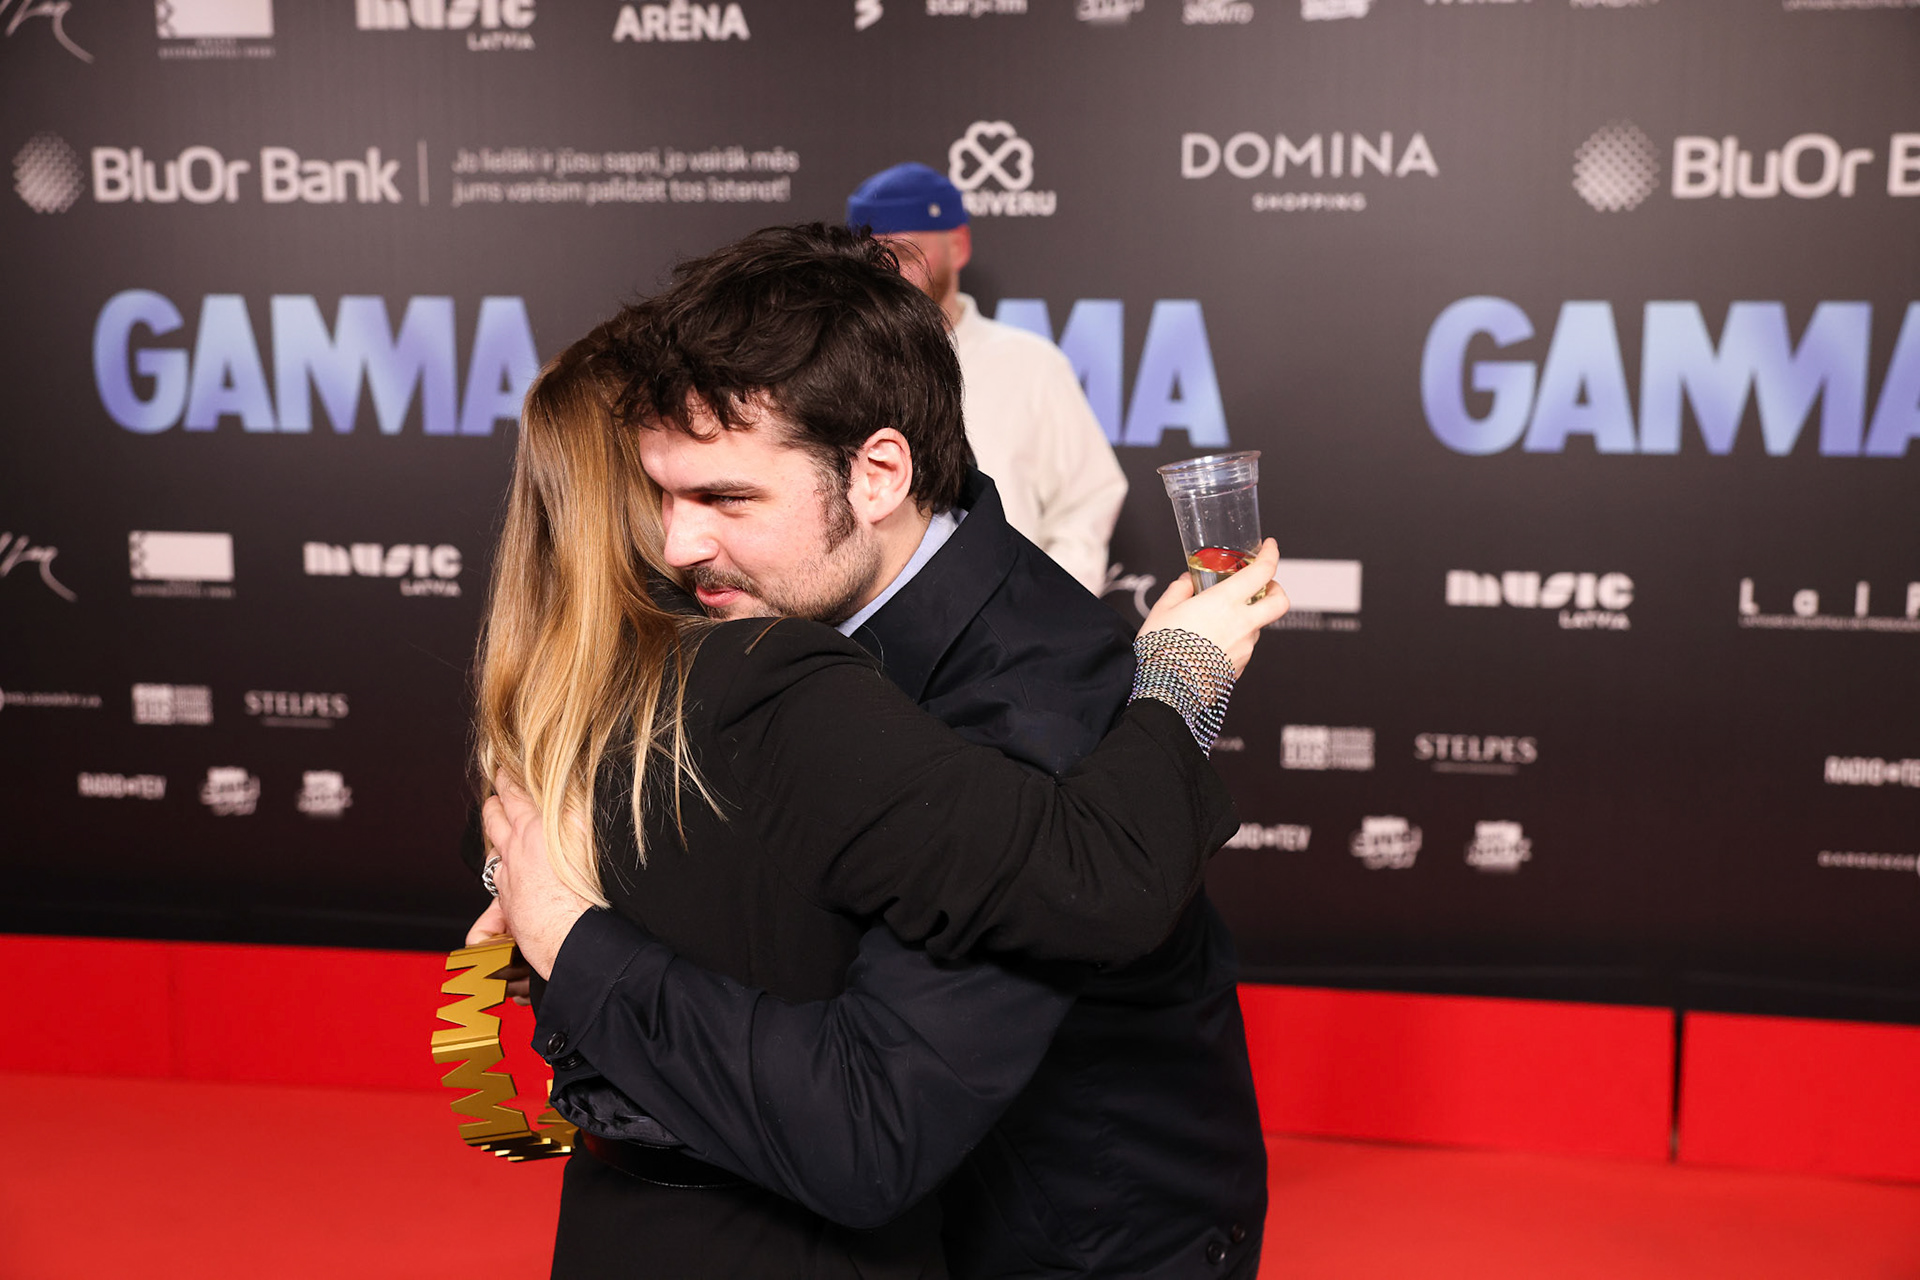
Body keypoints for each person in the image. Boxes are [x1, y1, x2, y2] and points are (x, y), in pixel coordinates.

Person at [480, 224, 1276, 1279]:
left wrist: (569, 938)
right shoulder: (760, 620)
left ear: (878, 475)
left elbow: (877, 1118)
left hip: (1072, 1249)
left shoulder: (1036, 698)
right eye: (663, 492)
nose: (675, 543)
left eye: (724, 498)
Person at [846, 161, 1127, 594]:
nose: (890, 271)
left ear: (958, 246)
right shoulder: (832, 368)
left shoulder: (1031, 365)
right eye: (874, 257)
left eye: (906, 252)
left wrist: (1044, 605)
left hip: (1004, 617)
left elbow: (1088, 500)